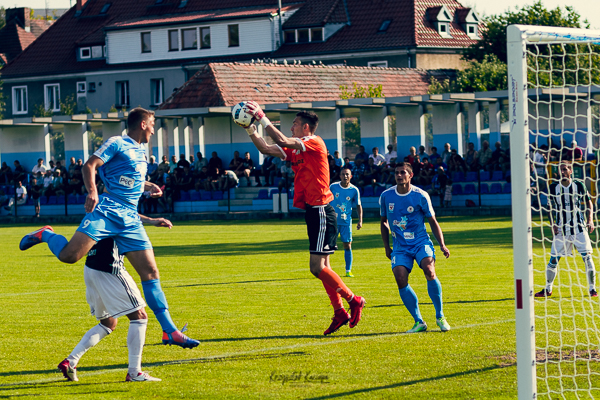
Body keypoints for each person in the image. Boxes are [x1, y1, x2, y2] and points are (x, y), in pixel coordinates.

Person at [19, 107, 199, 349]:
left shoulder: (140, 152)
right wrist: (92, 191)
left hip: (129, 219)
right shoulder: (117, 143)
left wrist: (147, 186)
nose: (155, 130)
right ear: (143, 124)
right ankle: (46, 234)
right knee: (70, 256)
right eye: (153, 125)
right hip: (107, 211)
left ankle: (170, 331)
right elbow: (89, 166)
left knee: (151, 272)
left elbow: (128, 180)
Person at [242, 103, 366, 336]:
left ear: (306, 127)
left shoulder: (314, 141)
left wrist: (262, 118)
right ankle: (339, 311)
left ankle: (353, 299)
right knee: (324, 267)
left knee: (316, 267)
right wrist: (250, 128)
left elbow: (282, 140)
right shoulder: (298, 148)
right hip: (314, 210)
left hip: (321, 209)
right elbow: (267, 149)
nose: (291, 127)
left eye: (295, 124)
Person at [58, 234, 164, 383]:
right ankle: (134, 373)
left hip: (91, 268)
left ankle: (71, 361)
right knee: (139, 316)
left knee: (108, 323)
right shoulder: (117, 212)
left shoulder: (101, 213)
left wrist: (152, 221)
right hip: (110, 269)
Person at [379, 162, 451, 333]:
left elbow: (433, 221)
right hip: (400, 246)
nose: (399, 175)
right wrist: (386, 247)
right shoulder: (386, 196)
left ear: (410, 175)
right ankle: (419, 321)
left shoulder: (421, 195)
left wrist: (442, 244)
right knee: (400, 277)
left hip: (420, 242)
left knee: (429, 270)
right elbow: (383, 221)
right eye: (396, 172)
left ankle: (440, 316)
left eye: (403, 172)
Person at [535, 162, 597, 298]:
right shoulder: (553, 187)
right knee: (553, 260)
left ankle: (592, 289)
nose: (562, 172)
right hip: (561, 230)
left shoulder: (578, 185)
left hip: (579, 229)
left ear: (570, 171)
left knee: (587, 258)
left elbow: (589, 202)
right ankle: (548, 288)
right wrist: (553, 224)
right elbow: (549, 208)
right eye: (560, 170)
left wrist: (590, 219)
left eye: (565, 169)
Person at [329, 167, 363, 277]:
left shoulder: (354, 190)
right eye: (343, 174)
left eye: (347, 174)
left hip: (346, 222)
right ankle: (327, 269)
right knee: (328, 246)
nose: (345, 176)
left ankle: (348, 270)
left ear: (351, 176)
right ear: (340, 176)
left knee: (347, 245)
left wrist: (360, 220)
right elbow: (326, 201)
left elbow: (358, 206)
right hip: (332, 221)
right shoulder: (333, 187)